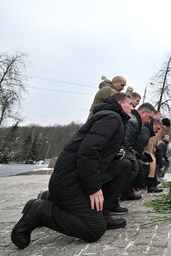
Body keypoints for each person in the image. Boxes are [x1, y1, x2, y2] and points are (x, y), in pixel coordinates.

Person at [10, 92, 134, 249]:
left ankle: (51, 199)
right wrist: (94, 188)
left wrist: (113, 154)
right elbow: (88, 152)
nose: (132, 108)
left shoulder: (111, 117)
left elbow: (94, 148)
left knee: (124, 165)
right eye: (130, 104)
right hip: (70, 184)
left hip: (74, 180)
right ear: (119, 103)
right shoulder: (111, 118)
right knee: (94, 229)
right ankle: (40, 211)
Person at [120, 103, 157, 201]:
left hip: (125, 152)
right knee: (133, 165)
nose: (149, 121)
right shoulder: (134, 122)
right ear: (143, 112)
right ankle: (116, 199)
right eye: (149, 118)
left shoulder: (136, 122)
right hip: (120, 154)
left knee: (136, 164)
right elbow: (125, 145)